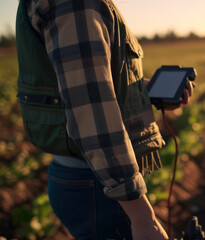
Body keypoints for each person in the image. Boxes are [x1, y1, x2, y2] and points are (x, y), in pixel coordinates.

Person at [15, 0, 194, 239]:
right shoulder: (77, 4)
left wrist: (144, 90)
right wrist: (143, 218)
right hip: (98, 185)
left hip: (90, 181)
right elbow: (90, 108)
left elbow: (92, 81)